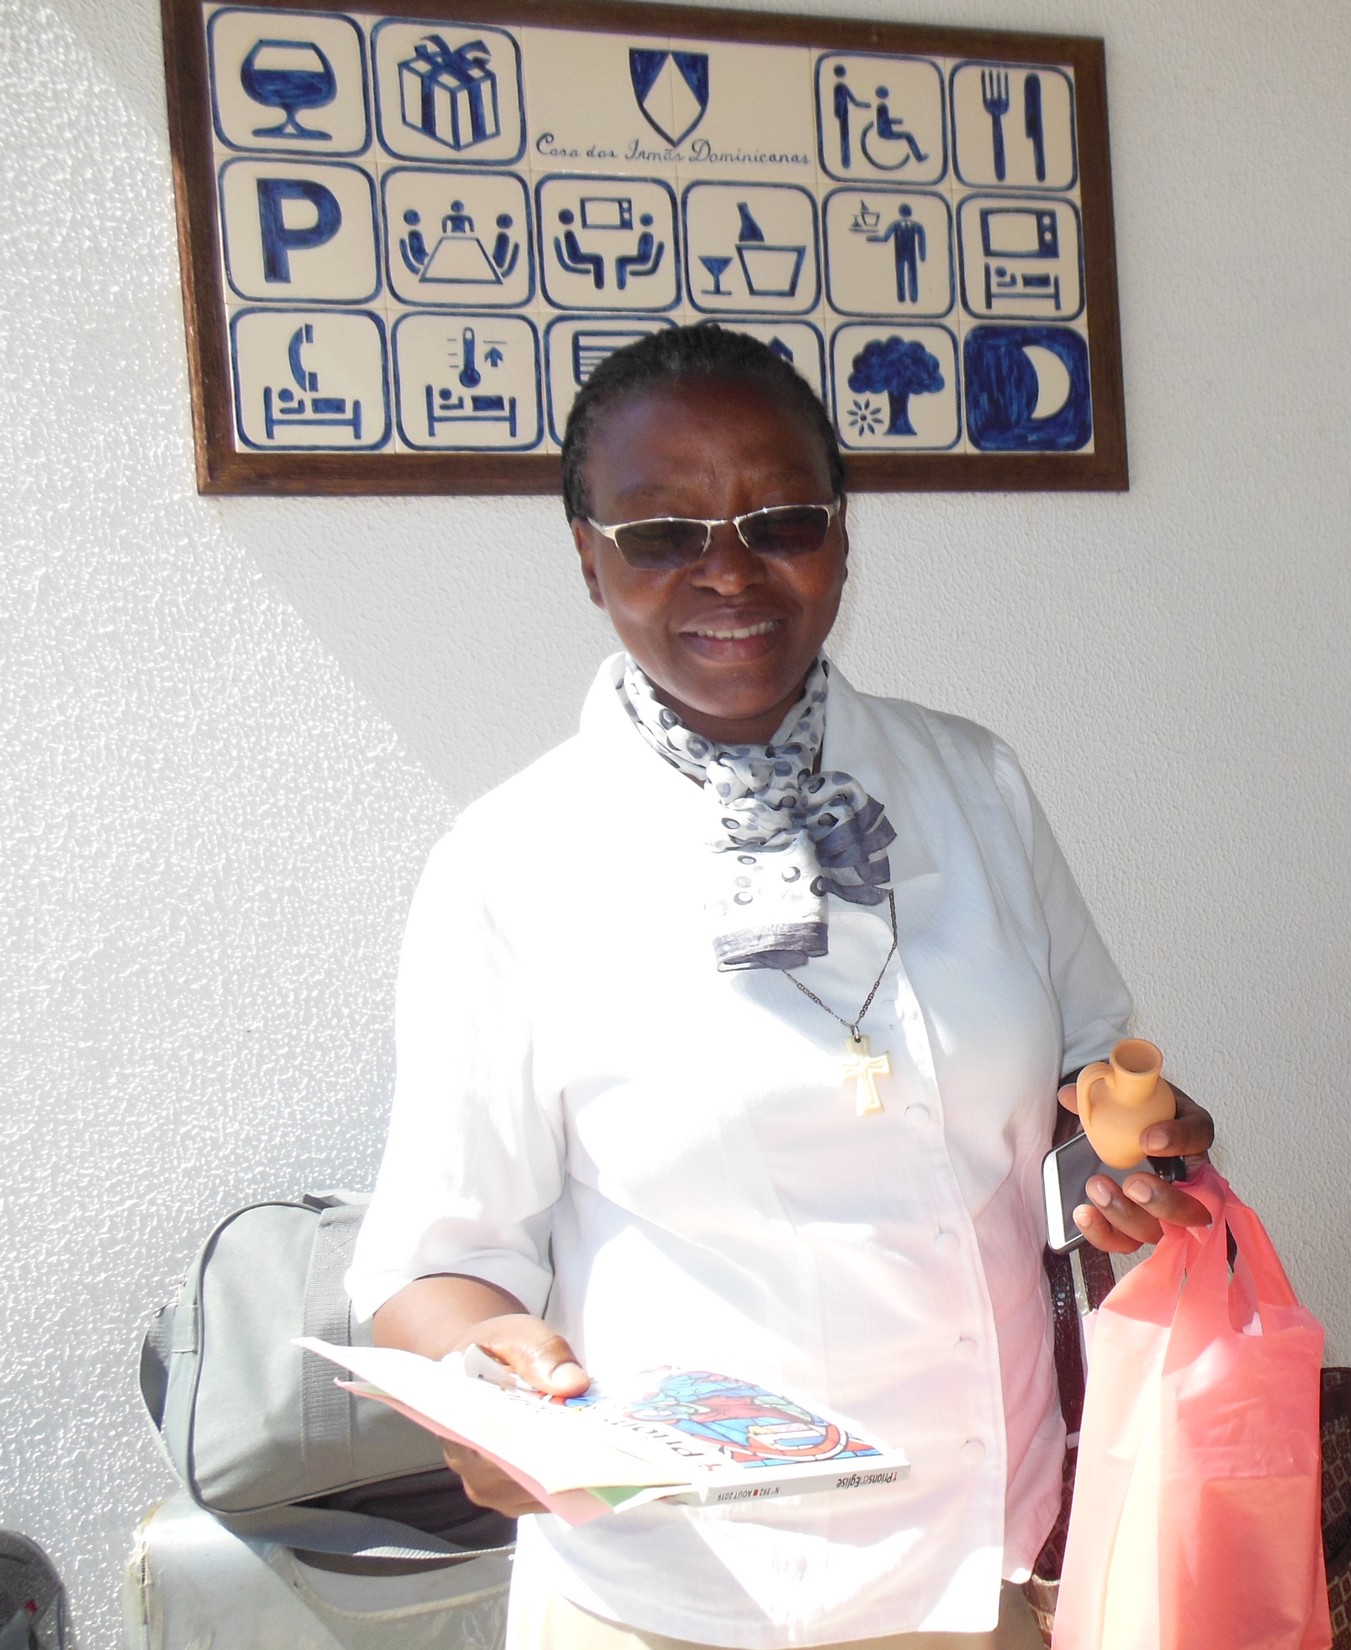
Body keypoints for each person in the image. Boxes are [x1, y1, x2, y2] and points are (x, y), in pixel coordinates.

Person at [346, 324, 1214, 1650]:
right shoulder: (514, 863)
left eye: (782, 520)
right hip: (685, 1593)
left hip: (991, 1561)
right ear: (586, 554)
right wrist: (480, 1380)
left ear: (843, 536)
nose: (730, 570)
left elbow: (1082, 1071)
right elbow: (436, 1265)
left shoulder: (972, 783)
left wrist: (1131, 1156)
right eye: (661, 533)